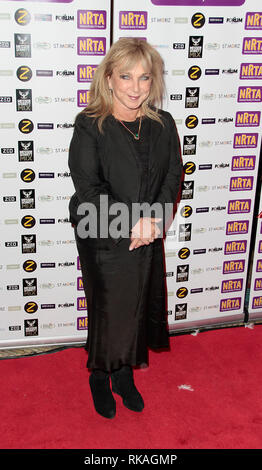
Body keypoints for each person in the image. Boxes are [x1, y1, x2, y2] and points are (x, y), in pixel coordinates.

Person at [68, 38, 182, 419]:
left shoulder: (163, 124)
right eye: (126, 76)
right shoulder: (90, 124)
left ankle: (123, 374)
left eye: (144, 78)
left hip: (147, 230)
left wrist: (154, 220)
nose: (135, 87)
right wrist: (135, 221)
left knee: (134, 303)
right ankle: (100, 375)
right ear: (109, 79)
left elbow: (172, 176)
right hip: (101, 230)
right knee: (108, 305)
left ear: (154, 81)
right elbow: (87, 186)